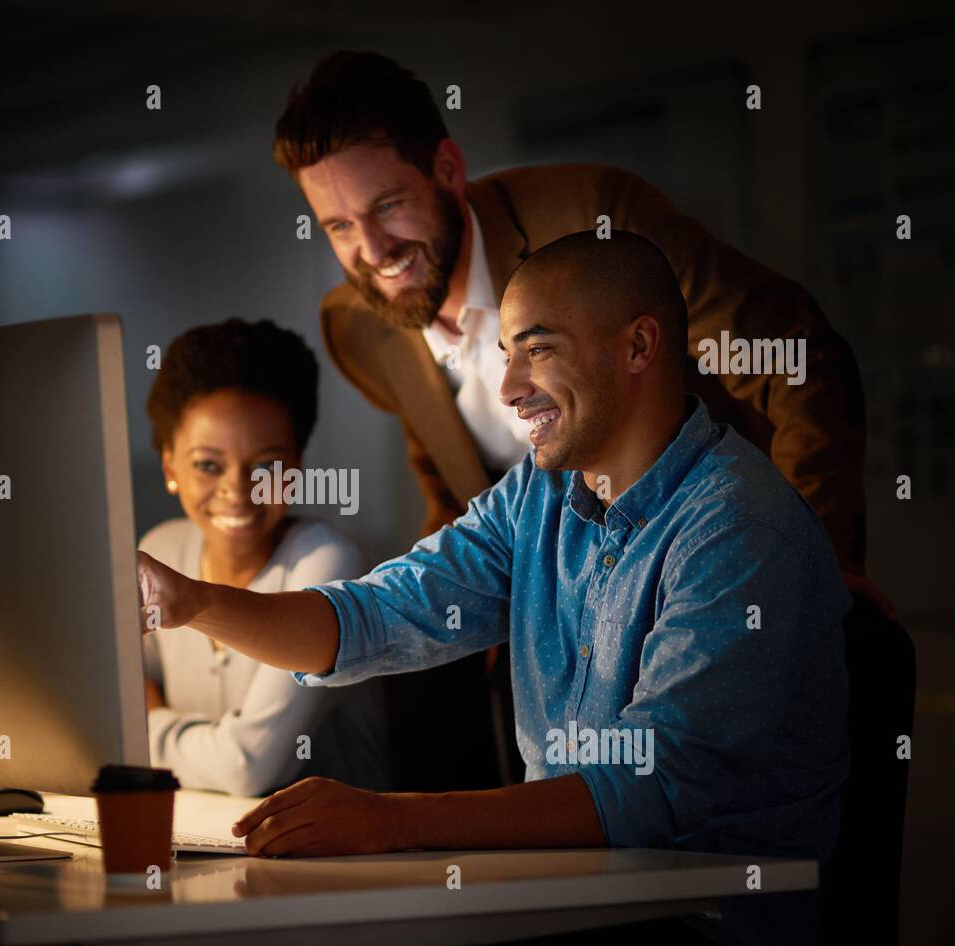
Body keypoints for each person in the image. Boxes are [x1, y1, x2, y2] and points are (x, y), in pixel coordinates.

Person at [138, 233, 851, 946]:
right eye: (505, 353)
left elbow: (649, 791)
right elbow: (378, 617)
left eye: (536, 350)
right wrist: (189, 602)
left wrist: (391, 822)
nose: (508, 388)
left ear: (639, 346)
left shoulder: (737, 525)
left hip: (704, 937)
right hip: (569, 904)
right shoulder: (537, 495)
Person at [272, 50, 876, 601]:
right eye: (338, 227)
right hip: (558, 632)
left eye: (387, 206)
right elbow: (451, 488)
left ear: (448, 169)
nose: (372, 250)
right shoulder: (358, 328)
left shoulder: (597, 217)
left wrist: (813, 572)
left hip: (714, 565)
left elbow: (794, 362)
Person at [139, 317, 389, 797]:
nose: (238, 490)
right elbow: (105, 712)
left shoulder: (328, 563)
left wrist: (142, 729)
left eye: (268, 466)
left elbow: (246, 769)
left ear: (297, 465)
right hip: (200, 846)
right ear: (171, 466)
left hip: (343, 865)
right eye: (208, 465)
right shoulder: (161, 551)